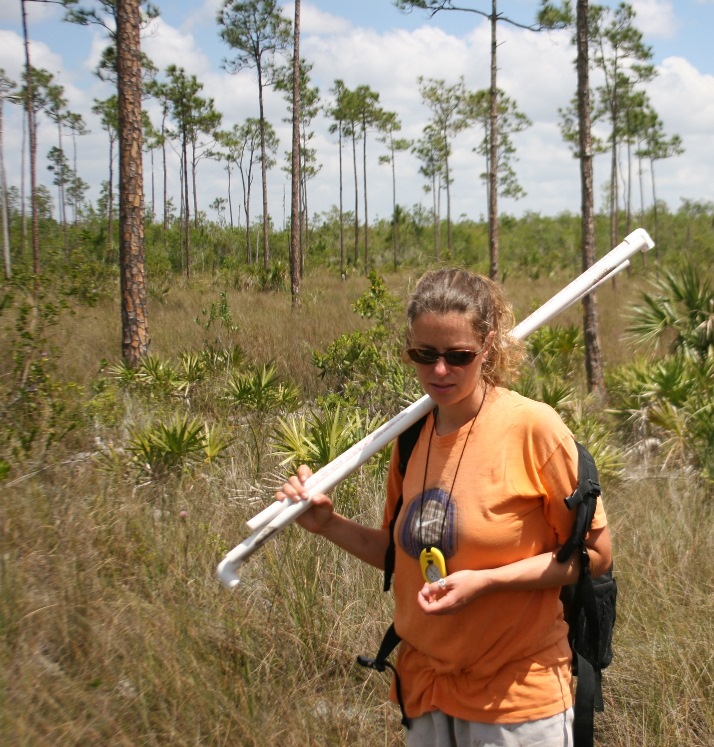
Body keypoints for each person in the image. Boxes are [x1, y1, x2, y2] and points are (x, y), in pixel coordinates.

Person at [276, 268, 612, 746]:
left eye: (459, 356)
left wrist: (487, 582)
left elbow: (594, 556)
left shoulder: (534, 429)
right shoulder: (410, 437)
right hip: (426, 691)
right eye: (424, 354)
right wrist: (326, 523)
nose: (439, 371)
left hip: (515, 699)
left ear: (488, 347)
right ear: (408, 350)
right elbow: (399, 554)